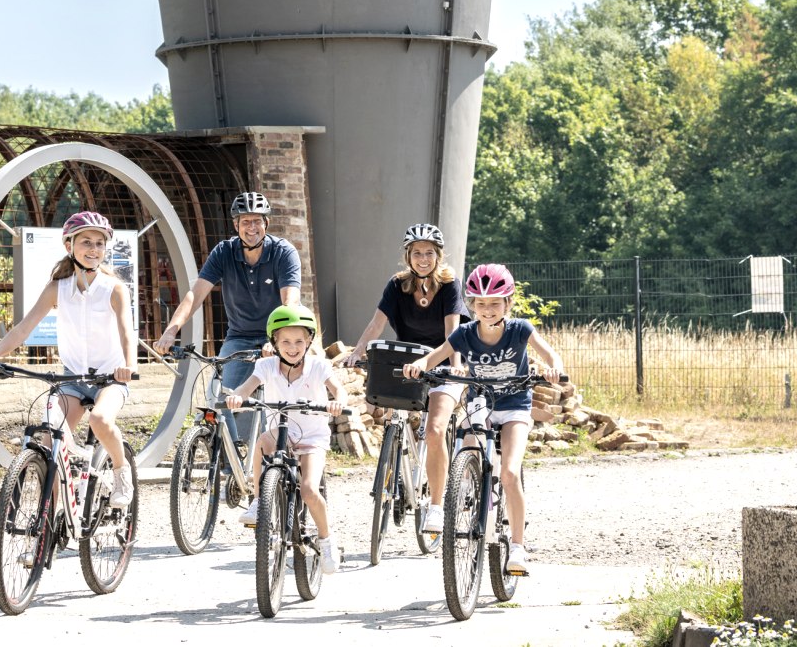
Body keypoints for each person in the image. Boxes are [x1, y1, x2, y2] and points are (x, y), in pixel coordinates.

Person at [402, 263, 563, 575]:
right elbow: (434, 356)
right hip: (480, 403)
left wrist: (553, 368)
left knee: (510, 474)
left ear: (508, 303)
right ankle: (467, 491)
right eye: (480, 303)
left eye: (494, 303)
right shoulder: (464, 334)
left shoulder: (520, 330)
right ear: (471, 305)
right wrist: (418, 364)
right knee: (467, 448)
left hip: (515, 404)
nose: (487, 310)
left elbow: (550, 355)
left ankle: (517, 547)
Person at [0, 210, 137, 509]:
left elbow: (127, 329)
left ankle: (120, 468)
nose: (93, 249)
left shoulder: (113, 288)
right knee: (51, 440)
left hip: (110, 378)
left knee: (100, 420)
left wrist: (129, 365)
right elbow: (23, 328)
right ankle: (55, 516)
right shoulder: (57, 288)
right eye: (86, 242)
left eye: (99, 243)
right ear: (69, 246)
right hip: (72, 379)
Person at [341, 222, 468, 533]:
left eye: (428, 253)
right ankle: (400, 463)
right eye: (416, 253)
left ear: (438, 256)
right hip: (407, 364)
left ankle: (436, 506)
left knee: (436, 430)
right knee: (395, 415)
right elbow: (376, 324)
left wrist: (457, 365)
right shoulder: (397, 285)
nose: (422, 259)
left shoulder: (450, 285)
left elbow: (453, 332)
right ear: (407, 256)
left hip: (442, 364)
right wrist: (358, 352)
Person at [155, 191, 302, 436]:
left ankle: (281, 454)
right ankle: (230, 458)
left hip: (277, 336)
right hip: (239, 337)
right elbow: (195, 295)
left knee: (280, 401)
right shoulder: (224, 252)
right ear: (236, 225)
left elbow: (291, 301)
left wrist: (277, 339)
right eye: (245, 221)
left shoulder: (283, 252)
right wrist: (171, 332)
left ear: (266, 223)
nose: (251, 227)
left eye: (257, 221)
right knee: (220, 397)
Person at [224, 304, 346, 575]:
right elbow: (248, 387)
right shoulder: (266, 365)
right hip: (281, 433)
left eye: (299, 341)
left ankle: (326, 540)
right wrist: (237, 397)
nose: (293, 347)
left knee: (309, 490)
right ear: (274, 343)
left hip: (312, 438)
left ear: (309, 341)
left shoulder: (318, 366)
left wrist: (338, 402)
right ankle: (258, 501)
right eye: (286, 341)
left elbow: (339, 390)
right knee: (261, 444)